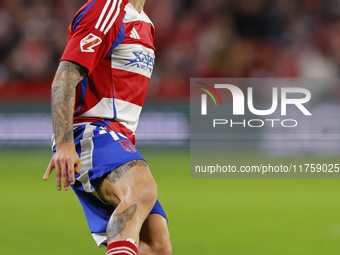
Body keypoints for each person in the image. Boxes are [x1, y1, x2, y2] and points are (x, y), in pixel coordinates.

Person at [43, 0, 172, 254]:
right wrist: (65, 143)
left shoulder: (145, 23)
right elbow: (64, 77)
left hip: (119, 140)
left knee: (156, 245)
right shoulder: (107, 8)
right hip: (90, 131)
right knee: (142, 190)